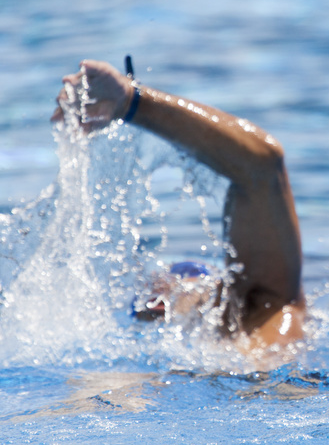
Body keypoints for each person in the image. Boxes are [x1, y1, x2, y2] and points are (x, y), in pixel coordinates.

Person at [53, 59, 305, 349]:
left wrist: (133, 102)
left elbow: (262, 164)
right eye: (155, 294)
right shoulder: (155, 369)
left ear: (224, 286)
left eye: (186, 279)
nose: (163, 290)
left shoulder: (266, 305)